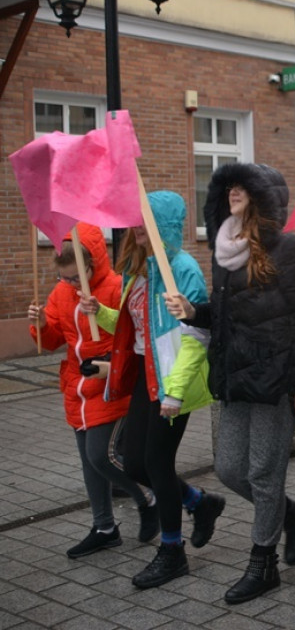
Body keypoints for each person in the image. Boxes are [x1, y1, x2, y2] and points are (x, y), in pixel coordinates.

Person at [165, 164, 295, 603]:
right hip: (234, 376)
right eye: (227, 186)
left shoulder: (288, 249)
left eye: (242, 185)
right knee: (231, 469)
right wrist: (194, 312)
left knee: (264, 472)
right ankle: (289, 514)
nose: (232, 191)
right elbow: (222, 315)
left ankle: (263, 563)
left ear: (263, 195)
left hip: (275, 379)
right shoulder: (225, 249)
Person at [87, 191, 224, 590]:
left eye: (142, 220)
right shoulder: (140, 269)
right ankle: (200, 503)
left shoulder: (182, 268)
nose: (134, 228)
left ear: (160, 224)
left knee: (158, 464)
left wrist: (175, 392)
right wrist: (103, 314)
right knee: (133, 464)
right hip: (145, 380)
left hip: (171, 383)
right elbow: (136, 328)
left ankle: (172, 551)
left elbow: (197, 334)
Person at [28, 224, 157, 558]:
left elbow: (131, 340)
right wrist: (41, 324)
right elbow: (52, 340)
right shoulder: (62, 294)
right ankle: (104, 527)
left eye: (74, 277)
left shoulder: (115, 287)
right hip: (77, 389)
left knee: (101, 456)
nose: (69, 284)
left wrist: (100, 315)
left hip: (109, 387)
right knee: (90, 463)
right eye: (64, 278)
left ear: (93, 265)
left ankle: (149, 497)